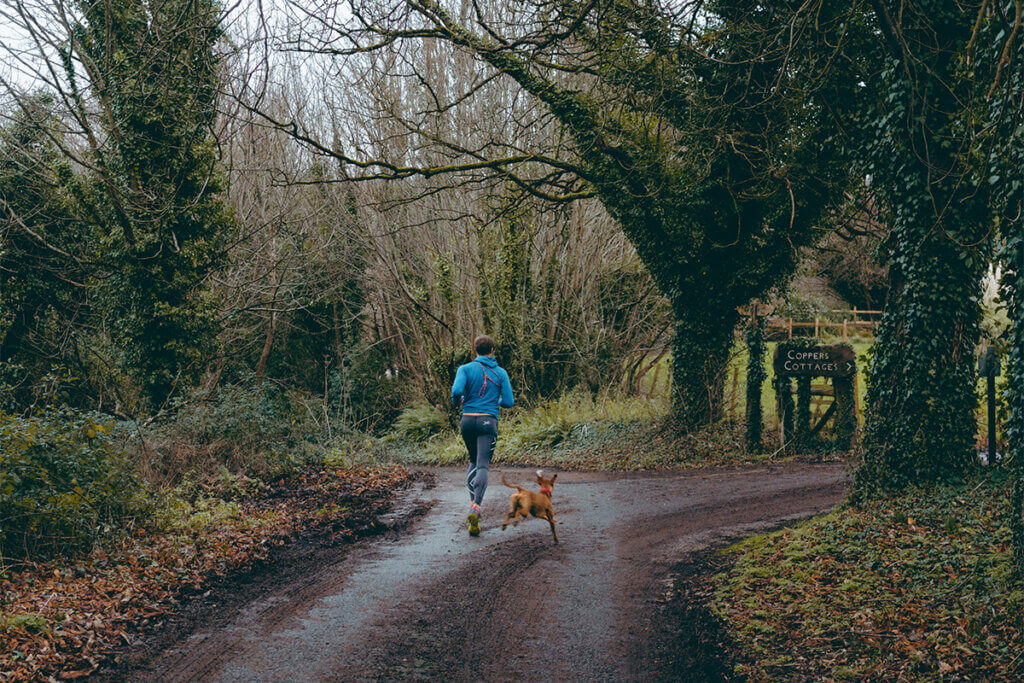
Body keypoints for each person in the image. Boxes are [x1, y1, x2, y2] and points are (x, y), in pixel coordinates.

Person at [451, 334, 514, 536]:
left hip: (467, 421)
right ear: (492, 350)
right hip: (488, 422)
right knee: (483, 464)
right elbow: (509, 402)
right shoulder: (500, 373)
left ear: (475, 350)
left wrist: (458, 400)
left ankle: (472, 505)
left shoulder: (465, 369)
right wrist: (495, 401)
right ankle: (476, 507)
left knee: (472, 461)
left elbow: (456, 390)